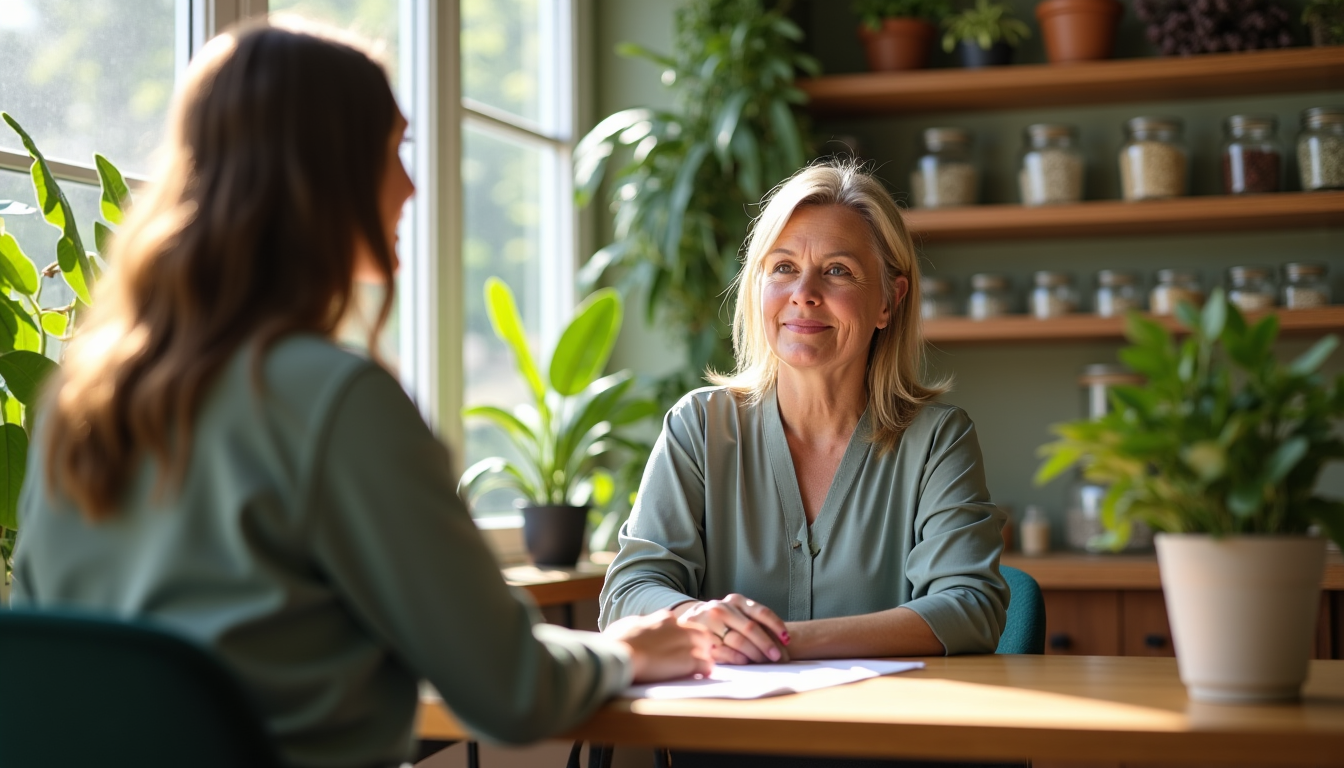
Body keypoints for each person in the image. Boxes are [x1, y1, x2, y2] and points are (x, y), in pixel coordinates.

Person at [11, 20, 713, 768]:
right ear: (322, 174)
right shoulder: (336, 401)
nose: (412, 185)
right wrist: (625, 652)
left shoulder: (79, 402)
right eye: (393, 150)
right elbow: (511, 690)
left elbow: (49, 663)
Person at [599, 160, 1009, 668]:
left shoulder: (937, 440)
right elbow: (628, 592)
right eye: (783, 267)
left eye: (838, 270)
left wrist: (783, 642)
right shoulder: (699, 428)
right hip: (724, 719)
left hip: (884, 718)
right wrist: (697, 619)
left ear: (889, 300)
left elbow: (970, 607)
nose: (804, 293)